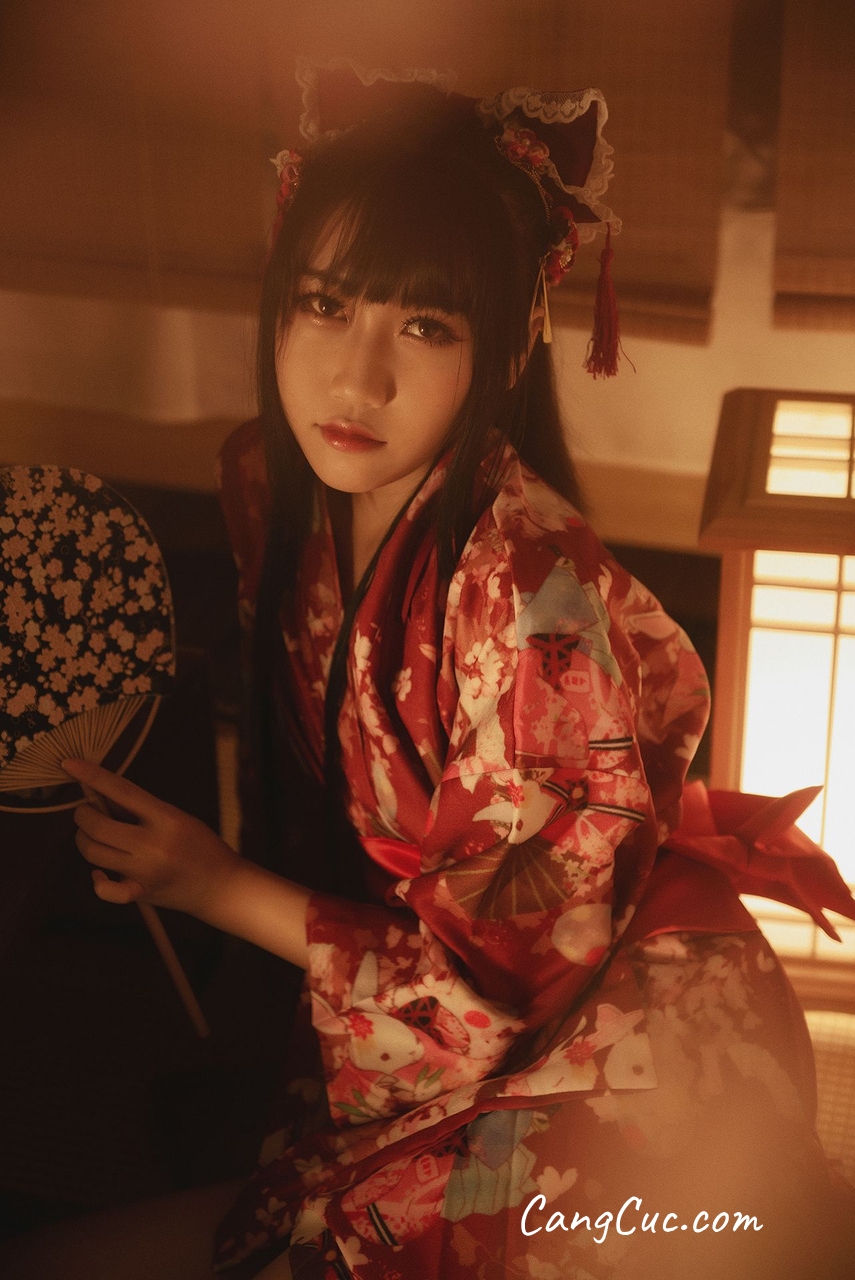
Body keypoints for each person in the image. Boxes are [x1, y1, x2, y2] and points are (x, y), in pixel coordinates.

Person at [2, 63, 852, 1280]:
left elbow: (501, 986)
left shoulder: (534, 598)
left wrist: (216, 883)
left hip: (592, 1024)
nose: (356, 380)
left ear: (504, 349)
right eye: (324, 302)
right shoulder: (271, 484)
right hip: (401, 990)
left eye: (425, 325)